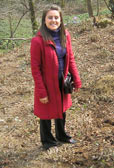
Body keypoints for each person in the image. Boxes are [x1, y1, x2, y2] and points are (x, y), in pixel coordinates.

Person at [30, 4, 82, 150]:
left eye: (56, 17)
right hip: (46, 84)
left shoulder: (65, 35)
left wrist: (76, 79)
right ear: (44, 20)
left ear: (61, 19)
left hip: (62, 81)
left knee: (61, 110)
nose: (53, 20)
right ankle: (48, 141)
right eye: (50, 17)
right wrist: (42, 92)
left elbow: (70, 58)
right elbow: (35, 69)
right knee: (45, 114)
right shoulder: (38, 41)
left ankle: (62, 135)